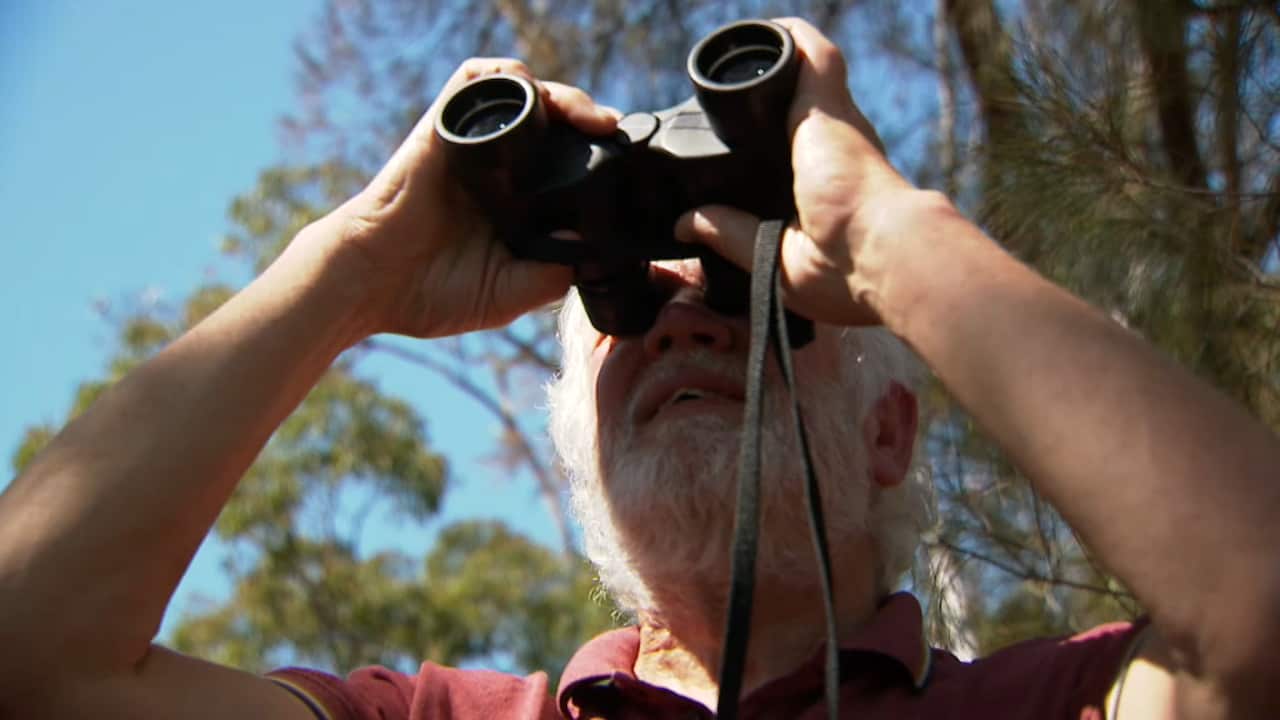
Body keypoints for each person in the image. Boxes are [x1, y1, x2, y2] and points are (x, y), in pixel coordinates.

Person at [0, 17, 1276, 720]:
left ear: (889, 434)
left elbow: (1260, 619)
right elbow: (32, 660)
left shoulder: (1047, 709)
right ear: (583, 465)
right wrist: (352, 265)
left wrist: (888, 240)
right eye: (621, 314)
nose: (674, 323)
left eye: (740, 303)